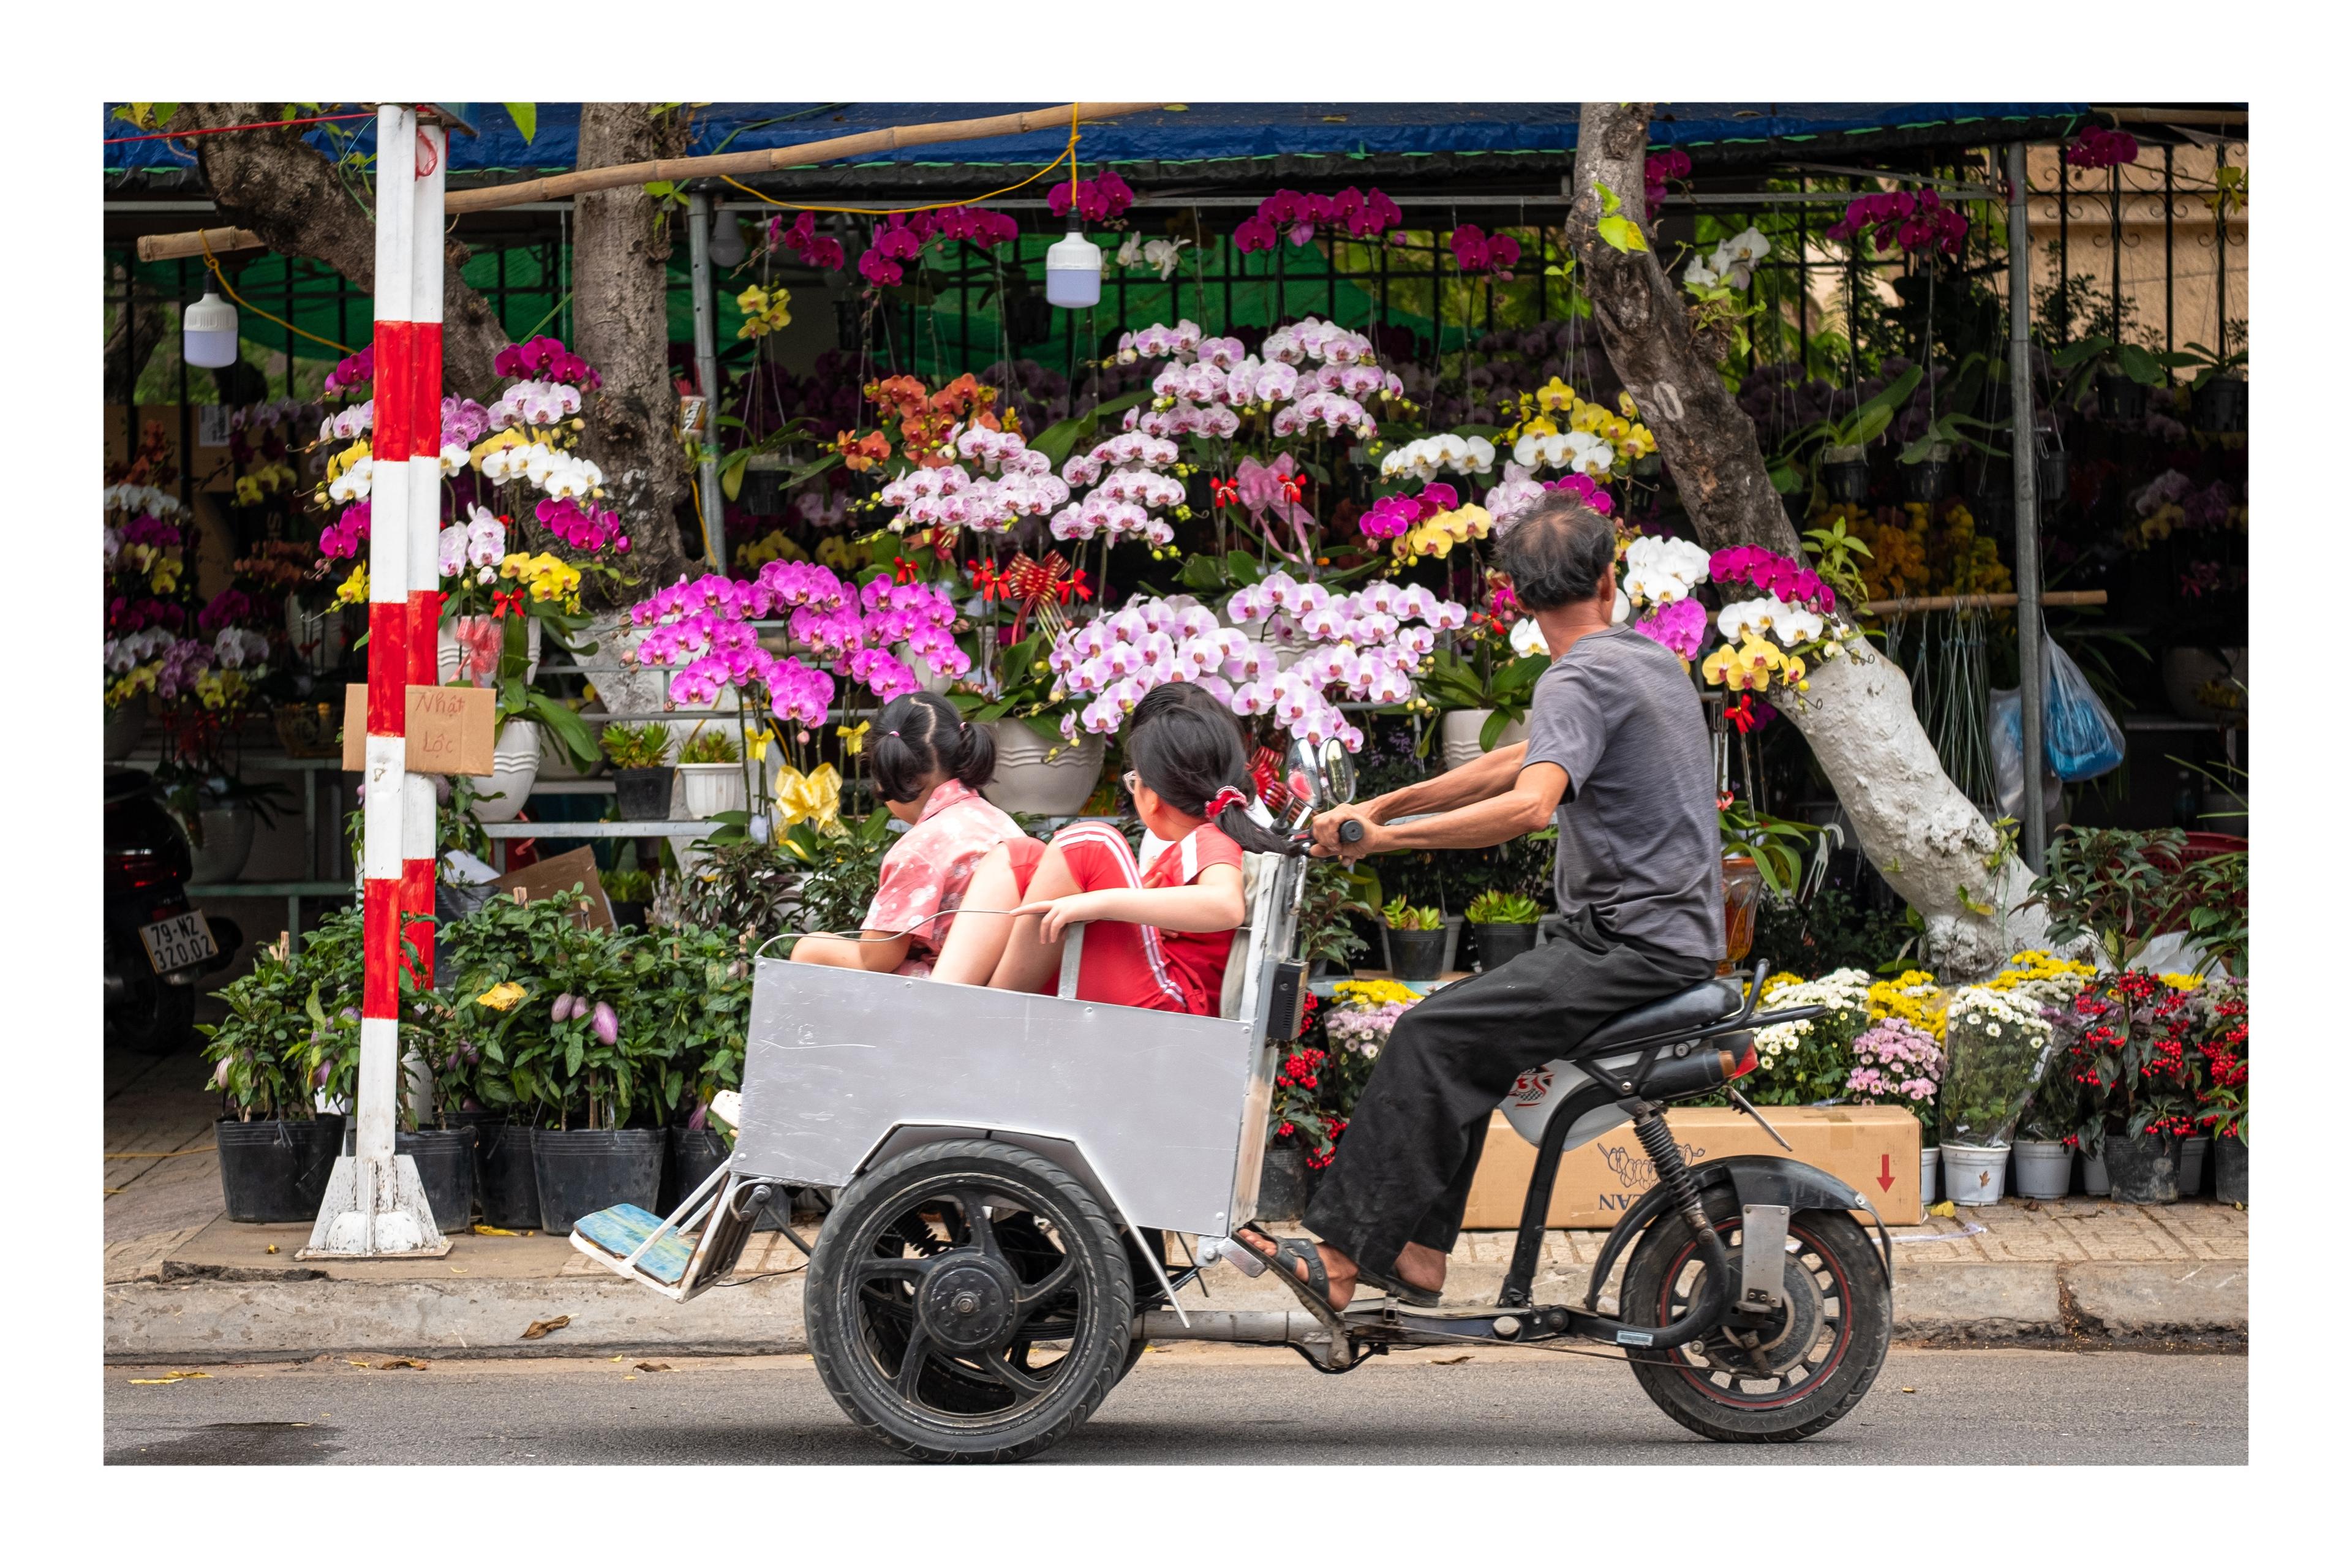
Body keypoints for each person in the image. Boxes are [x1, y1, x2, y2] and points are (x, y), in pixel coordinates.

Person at [1239, 491, 1725, 1310]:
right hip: (1658, 933)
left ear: (1522, 603)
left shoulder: (1576, 679)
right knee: (1464, 1040)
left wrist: (1380, 843)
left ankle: (1345, 1261)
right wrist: (1385, 806)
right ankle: (1422, 1255)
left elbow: (1529, 803)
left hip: (1631, 946)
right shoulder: (1643, 661)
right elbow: (1516, 762)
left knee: (1428, 1035)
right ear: (1610, 579)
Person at [934, 690, 1293, 1012]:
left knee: (1092, 843)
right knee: (1023, 855)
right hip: (1152, 989)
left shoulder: (1211, 837)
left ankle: (991, 1010)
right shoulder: (1195, 842)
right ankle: (944, 997)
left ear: (1150, 794)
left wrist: (1100, 902)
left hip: (1173, 1001)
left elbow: (1226, 906)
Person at [790, 690, 1032, 981]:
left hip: (954, 987)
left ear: (890, 773)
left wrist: (817, 943)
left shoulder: (919, 850)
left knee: (810, 950)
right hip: (1008, 976)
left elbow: (877, 958)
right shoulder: (997, 820)